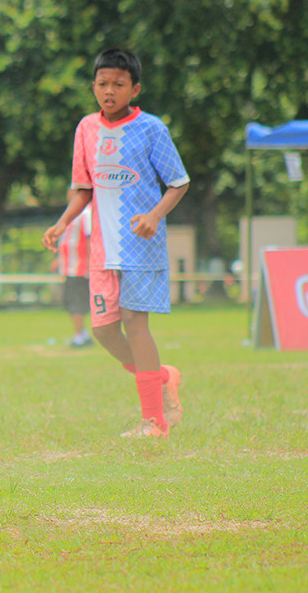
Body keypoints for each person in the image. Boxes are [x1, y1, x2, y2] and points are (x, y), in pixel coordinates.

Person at [42, 47, 188, 439]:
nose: (110, 91)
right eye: (103, 84)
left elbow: (179, 182)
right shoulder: (86, 129)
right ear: (93, 87)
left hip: (141, 247)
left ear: (134, 88)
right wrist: (61, 225)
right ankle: (162, 378)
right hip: (102, 251)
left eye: (118, 84)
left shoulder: (152, 128)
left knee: (135, 325)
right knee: (104, 331)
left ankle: (153, 421)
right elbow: (83, 189)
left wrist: (154, 216)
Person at [50, 195, 93, 348]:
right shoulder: (71, 215)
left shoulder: (87, 214)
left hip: (80, 267)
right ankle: (83, 333)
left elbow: (89, 239)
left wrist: (90, 263)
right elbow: (68, 240)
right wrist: (59, 259)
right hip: (69, 267)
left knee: (77, 302)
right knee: (72, 302)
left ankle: (79, 336)